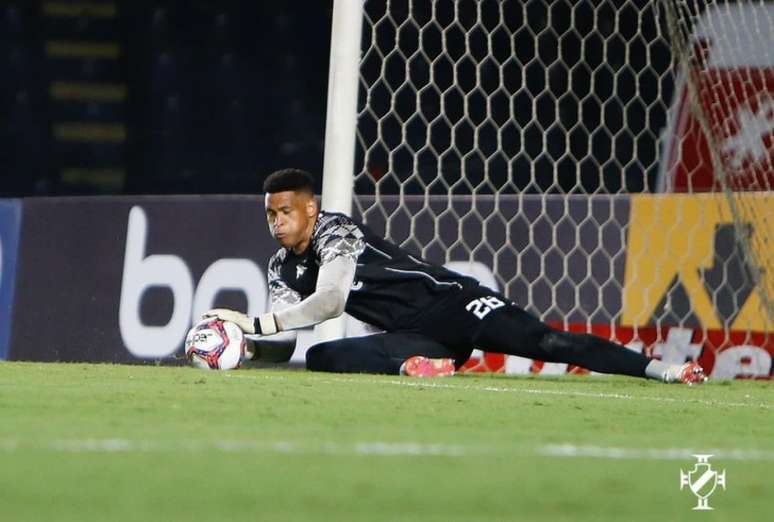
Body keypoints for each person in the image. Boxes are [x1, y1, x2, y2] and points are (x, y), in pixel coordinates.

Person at [204, 168, 707, 384]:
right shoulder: (282, 266)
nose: (276, 223)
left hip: (454, 304)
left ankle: (661, 370)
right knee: (320, 356)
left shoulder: (337, 232)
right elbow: (286, 343)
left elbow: (331, 301)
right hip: (415, 338)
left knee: (548, 343)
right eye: (270, 214)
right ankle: (415, 367)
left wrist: (253, 323)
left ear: (310, 209)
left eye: (285, 212)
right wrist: (242, 347)